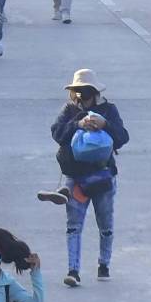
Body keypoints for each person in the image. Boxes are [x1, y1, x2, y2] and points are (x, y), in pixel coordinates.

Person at [47, 69, 130, 287]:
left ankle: (104, 264)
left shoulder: (108, 110)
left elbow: (122, 137)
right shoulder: (70, 110)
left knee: (105, 224)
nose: (81, 98)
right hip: (76, 178)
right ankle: (73, 270)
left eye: (84, 93)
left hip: (103, 176)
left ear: (94, 93)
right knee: (74, 225)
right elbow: (57, 133)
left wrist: (105, 125)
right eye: (77, 93)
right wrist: (78, 124)